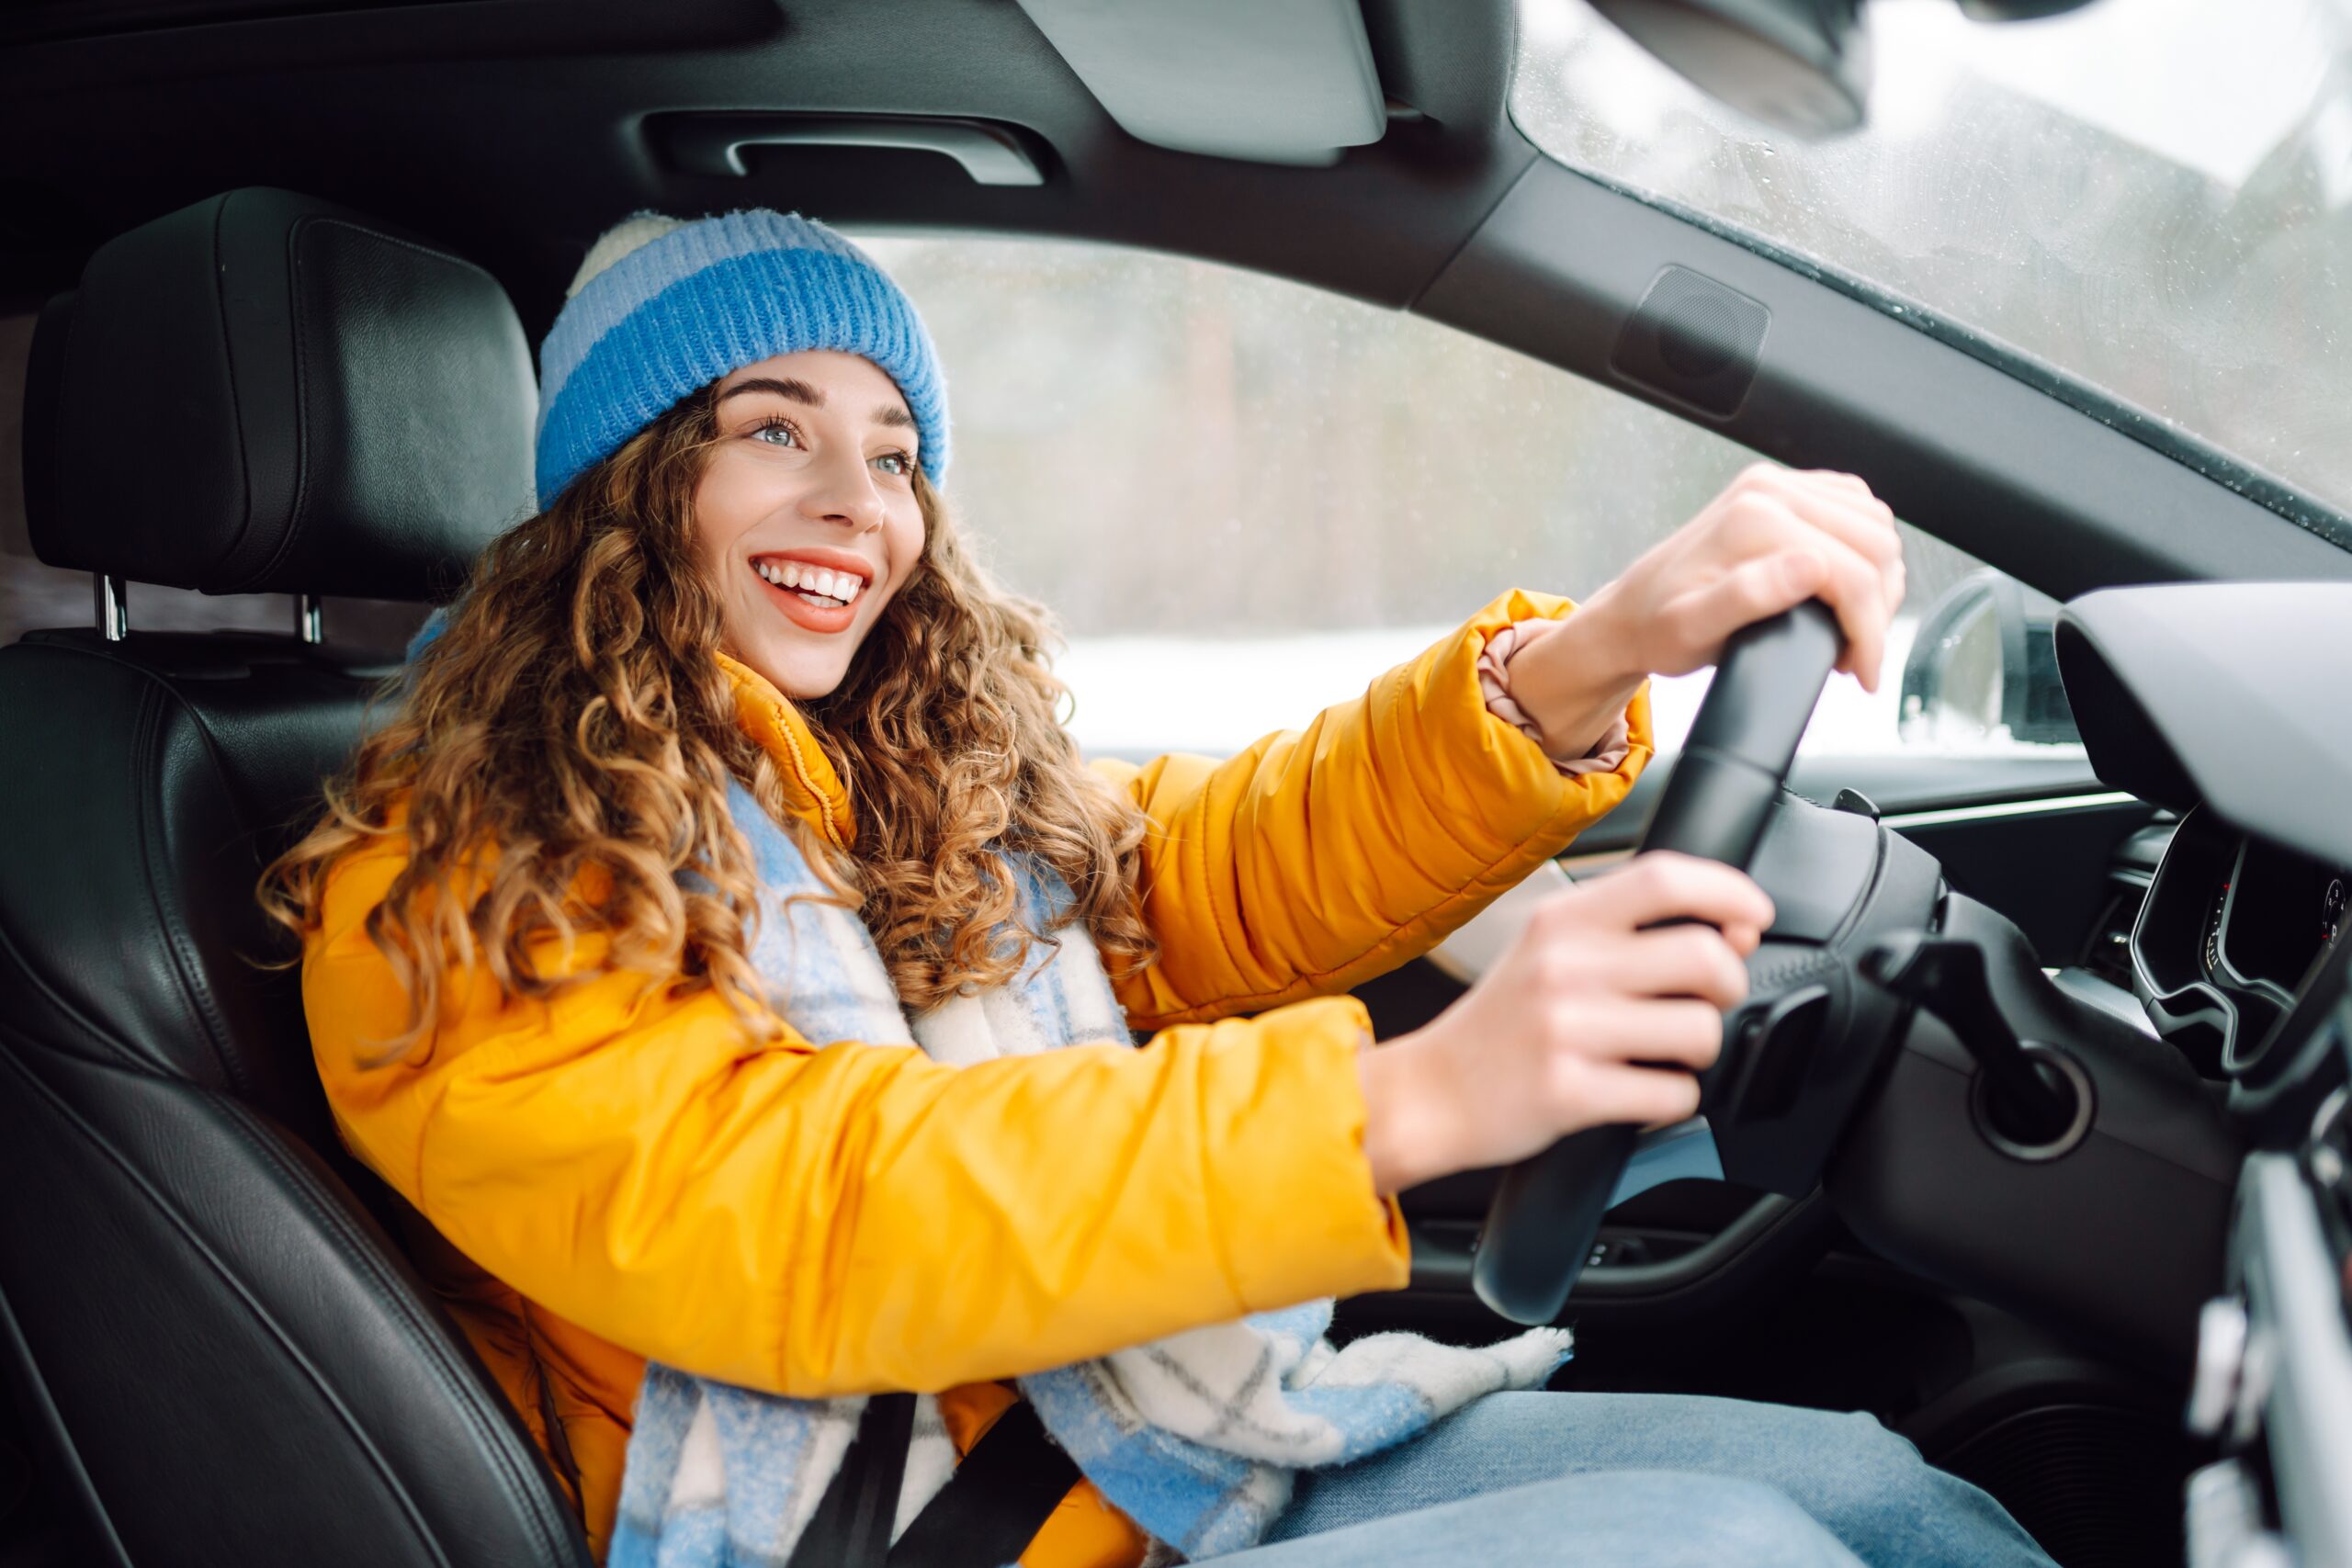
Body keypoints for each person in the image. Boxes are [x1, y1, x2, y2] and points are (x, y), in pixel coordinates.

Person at [266, 210, 2049, 1568]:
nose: (859, 504)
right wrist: (1407, 1101)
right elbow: (814, 1201)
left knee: (1884, 1505)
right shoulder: (457, 864)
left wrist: (1590, 655)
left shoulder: (883, 780)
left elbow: (1207, 866)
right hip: (928, 1535)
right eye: (773, 431)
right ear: (628, 484)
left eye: (893, 453)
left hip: (1158, 1461)